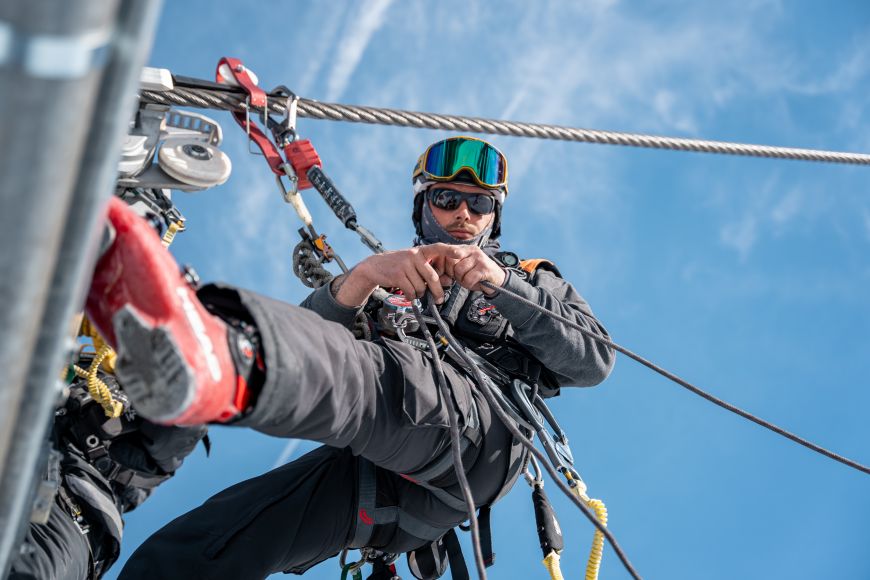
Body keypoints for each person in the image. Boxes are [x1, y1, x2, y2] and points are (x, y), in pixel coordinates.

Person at [84, 136, 615, 579]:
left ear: (494, 217)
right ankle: (226, 356)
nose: (462, 214)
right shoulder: (394, 280)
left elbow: (593, 360)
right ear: (422, 206)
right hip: (379, 480)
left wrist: (504, 288)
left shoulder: (528, 277)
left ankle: (229, 354)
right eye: (447, 198)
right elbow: (314, 341)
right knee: (209, 540)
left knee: (380, 376)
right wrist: (359, 281)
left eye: (478, 205)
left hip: (480, 440)